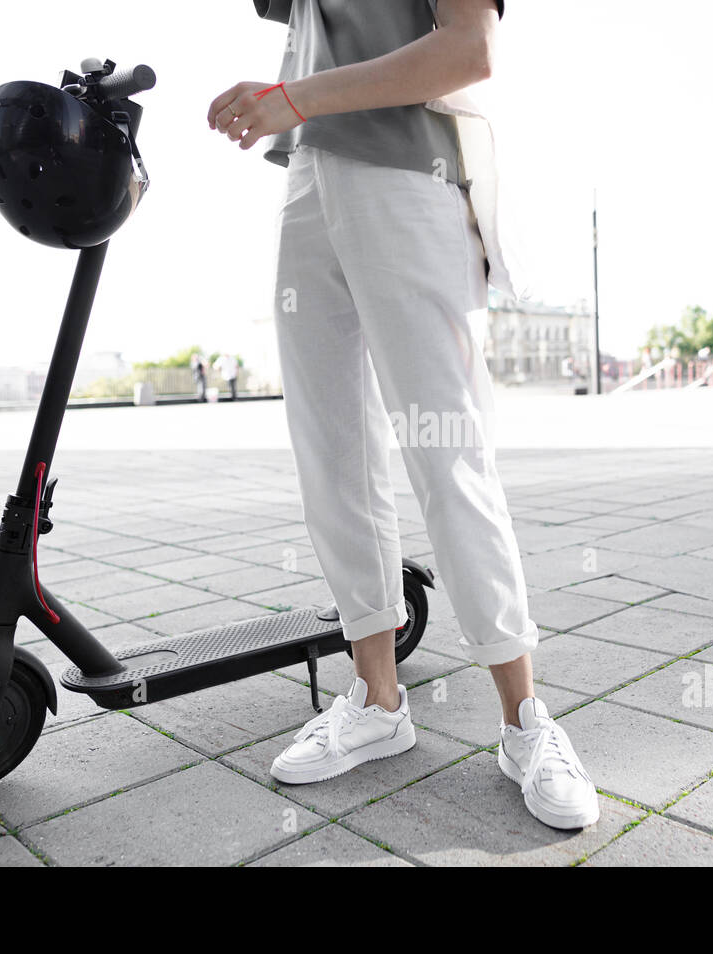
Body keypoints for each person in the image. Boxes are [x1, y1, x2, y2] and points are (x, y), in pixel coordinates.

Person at [207, 0, 598, 829]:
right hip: (309, 178)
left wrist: (296, 95)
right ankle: (378, 702)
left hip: (408, 175)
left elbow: (469, 47)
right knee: (332, 453)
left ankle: (524, 720)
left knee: (447, 453)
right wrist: (294, 108)